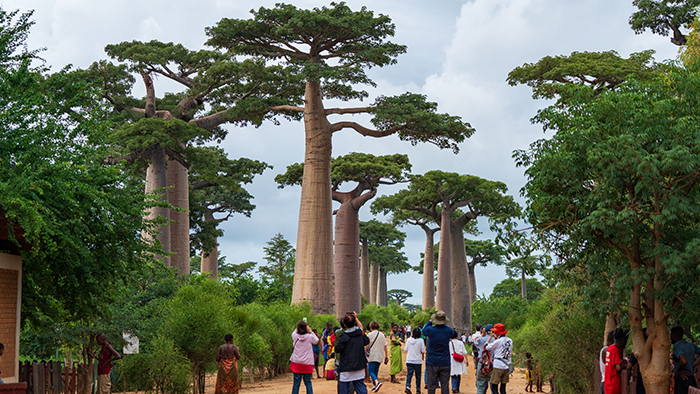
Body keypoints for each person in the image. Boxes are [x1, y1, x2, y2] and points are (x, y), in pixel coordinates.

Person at [422, 310, 457, 394]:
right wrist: (444, 324)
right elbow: (454, 334)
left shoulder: (430, 330)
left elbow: (423, 330)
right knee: (445, 386)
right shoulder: (448, 331)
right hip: (445, 362)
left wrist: (430, 321)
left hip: (432, 362)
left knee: (431, 386)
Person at [335, 312, 370, 394]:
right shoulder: (360, 333)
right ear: (354, 323)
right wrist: (357, 319)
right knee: (361, 388)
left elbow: (337, 349)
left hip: (346, 368)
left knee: (344, 390)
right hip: (359, 365)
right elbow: (366, 341)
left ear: (344, 324)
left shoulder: (344, 336)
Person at [290, 320, 319, 394]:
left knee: (296, 383)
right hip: (307, 363)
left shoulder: (295, 336)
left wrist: (300, 326)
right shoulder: (309, 337)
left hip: (296, 363)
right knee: (308, 382)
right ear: (306, 328)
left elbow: (294, 332)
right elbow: (316, 340)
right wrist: (310, 331)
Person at [483, 323, 512, 394]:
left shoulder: (498, 341)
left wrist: (490, 337)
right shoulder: (510, 340)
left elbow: (486, 347)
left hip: (498, 366)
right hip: (506, 365)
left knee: (493, 386)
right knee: (503, 387)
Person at [671, 326, 700, 394]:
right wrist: (693, 364)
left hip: (682, 379)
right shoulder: (690, 345)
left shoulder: (677, 346)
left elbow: (684, 360)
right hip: (691, 378)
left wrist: (679, 370)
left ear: (674, 336)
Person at [366, 321, 389, 392]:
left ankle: (377, 382)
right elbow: (385, 346)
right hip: (379, 356)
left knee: (370, 371)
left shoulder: (369, 335)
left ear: (371, 327)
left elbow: (366, 346)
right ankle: (375, 386)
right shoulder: (382, 335)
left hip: (372, 356)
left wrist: (365, 354)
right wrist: (386, 355)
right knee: (375, 371)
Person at [604, 328, 628, 394]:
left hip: (608, 384)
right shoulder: (615, 350)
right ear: (623, 342)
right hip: (614, 385)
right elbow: (618, 367)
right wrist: (626, 365)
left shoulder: (609, 348)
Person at [404, 327, 426, 394]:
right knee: (418, 375)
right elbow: (423, 350)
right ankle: (418, 389)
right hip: (417, 360)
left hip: (409, 359)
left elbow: (405, 349)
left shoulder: (409, 340)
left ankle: (408, 387)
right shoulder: (421, 341)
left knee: (409, 374)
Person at [474, 324, 493, 394]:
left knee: (480, 385)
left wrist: (482, 335)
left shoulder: (480, 339)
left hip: (482, 363)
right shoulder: (496, 340)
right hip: (492, 364)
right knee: (493, 386)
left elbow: (475, 342)